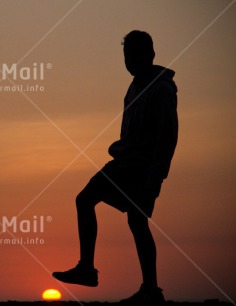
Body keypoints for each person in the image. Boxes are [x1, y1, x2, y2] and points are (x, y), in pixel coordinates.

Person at [52, 30, 178, 304]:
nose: (130, 60)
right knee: (89, 201)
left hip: (141, 169)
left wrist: (154, 178)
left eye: (135, 54)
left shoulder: (161, 89)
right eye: (127, 55)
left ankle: (149, 289)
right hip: (124, 163)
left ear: (150, 55)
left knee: (134, 219)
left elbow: (167, 139)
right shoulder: (135, 86)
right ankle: (93, 270)